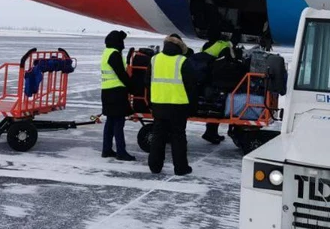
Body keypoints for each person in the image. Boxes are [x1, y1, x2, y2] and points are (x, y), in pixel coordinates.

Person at [148, 33, 197, 176]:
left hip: (158, 104)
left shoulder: (154, 59)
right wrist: (193, 107)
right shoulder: (183, 61)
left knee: (158, 136)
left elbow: (147, 81)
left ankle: (154, 166)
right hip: (178, 106)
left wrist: (151, 102)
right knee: (178, 137)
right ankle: (181, 168)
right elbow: (191, 86)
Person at [100, 30, 136, 161]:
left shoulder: (106, 52)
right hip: (116, 92)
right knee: (118, 123)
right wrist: (132, 88)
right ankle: (121, 152)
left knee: (110, 122)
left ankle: (107, 149)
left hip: (107, 91)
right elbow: (121, 74)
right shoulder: (114, 54)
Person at [200, 26, 234, 145]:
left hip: (205, 78)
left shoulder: (206, 45)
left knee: (211, 106)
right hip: (216, 79)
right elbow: (229, 60)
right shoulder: (223, 45)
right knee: (217, 106)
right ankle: (211, 132)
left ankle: (211, 132)